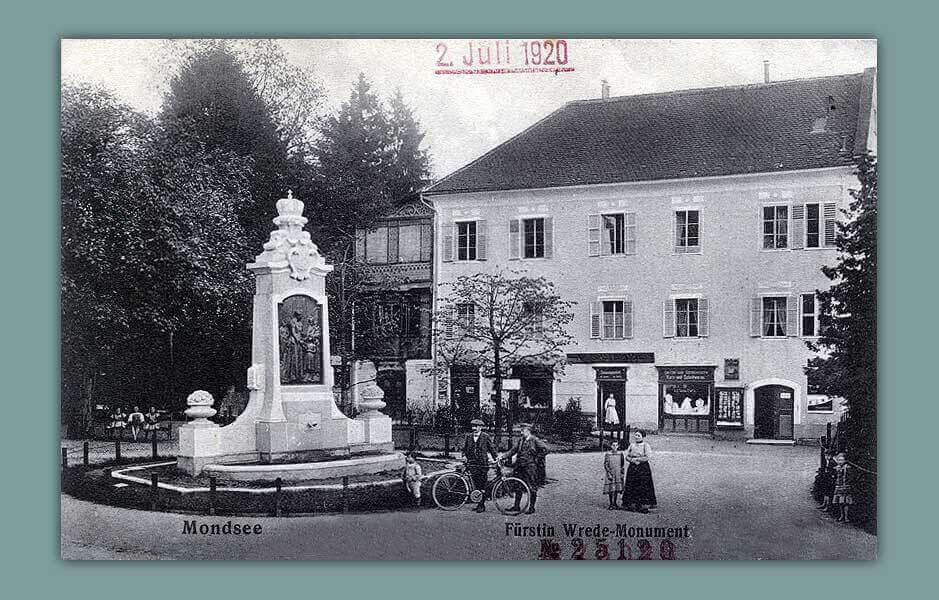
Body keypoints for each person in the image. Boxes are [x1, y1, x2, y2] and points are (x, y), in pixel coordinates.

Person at [500, 422, 547, 514]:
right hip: (519, 466)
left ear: (528, 431)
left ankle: (532, 507)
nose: (521, 433)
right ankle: (516, 506)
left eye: (523, 431)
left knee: (532, 486)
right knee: (518, 485)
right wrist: (503, 456)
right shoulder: (521, 440)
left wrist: (537, 457)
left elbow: (546, 449)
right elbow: (513, 450)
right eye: (521, 431)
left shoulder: (534, 440)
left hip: (530, 467)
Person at [462, 419, 497, 513]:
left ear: (480, 427)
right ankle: (478, 503)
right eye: (473, 426)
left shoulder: (486, 436)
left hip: (482, 464)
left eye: (476, 426)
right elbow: (464, 449)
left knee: (483, 484)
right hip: (472, 463)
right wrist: (464, 456)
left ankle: (481, 505)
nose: (474, 428)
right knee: (476, 484)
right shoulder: (468, 436)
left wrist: (496, 458)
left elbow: (492, 449)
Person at [622, 429, 657, 513]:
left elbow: (648, 456)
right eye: (635, 435)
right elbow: (627, 456)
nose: (636, 437)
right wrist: (631, 460)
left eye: (638, 435)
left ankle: (643, 506)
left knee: (643, 485)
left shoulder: (646, 445)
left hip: (643, 468)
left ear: (643, 437)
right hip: (633, 467)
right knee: (632, 484)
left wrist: (638, 460)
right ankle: (632, 505)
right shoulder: (632, 445)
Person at [830, 452, 855, 523]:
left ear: (845, 460)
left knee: (845, 502)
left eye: (842, 460)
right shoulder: (837, 467)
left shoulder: (848, 467)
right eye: (839, 460)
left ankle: (846, 517)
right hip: (839, 486)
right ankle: (841, 515)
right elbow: (835, 476)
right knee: (840, 502)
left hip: (846, 487)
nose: (840, 462)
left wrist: (848, 483)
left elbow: (851, 477)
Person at [603, 440, 625, 510]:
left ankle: (615, 503)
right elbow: (606, 464)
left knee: (616, 489)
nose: (615, 447)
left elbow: (622, 465)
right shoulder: (608, 454)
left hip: (617, 473)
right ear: (611, 446)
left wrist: (622, 473)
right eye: (613, 445)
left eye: (616, 445)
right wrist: (609, 473)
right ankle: (611, 504)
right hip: (611, 473)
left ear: (618, 446)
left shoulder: (620, 454)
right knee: (611, 489)